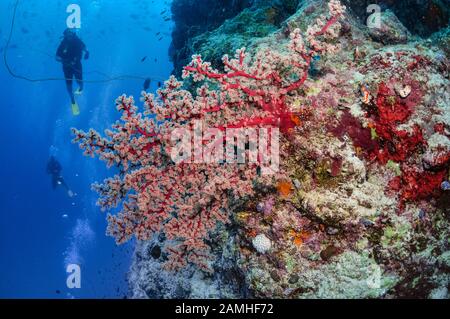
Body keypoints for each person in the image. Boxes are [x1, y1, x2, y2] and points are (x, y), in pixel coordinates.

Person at [56, 28, 89, 115]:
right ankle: (72, 99)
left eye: (70, 34)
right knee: (69, 83)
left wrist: (87, 52)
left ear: (72, 34)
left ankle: (81, 87)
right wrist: (64, 60)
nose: (69, 36)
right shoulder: (63, 44)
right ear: (65, 35)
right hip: (67, 67)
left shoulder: (77, 41)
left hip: (77, 65)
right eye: (67, 35)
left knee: (79, 80)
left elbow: (84, 47)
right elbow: (56, 56)